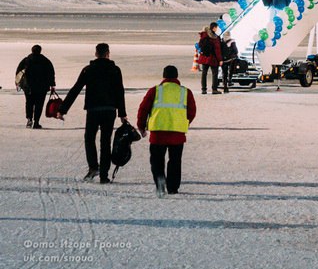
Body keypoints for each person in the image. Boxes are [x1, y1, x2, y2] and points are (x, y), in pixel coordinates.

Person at [60, 43, 128, 183]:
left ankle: (93, 167)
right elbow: (119, 91)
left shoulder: (88, 69)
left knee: (89, 139)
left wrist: (62, 110)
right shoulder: (115, 70)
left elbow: (75, 89)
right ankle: (104, 176)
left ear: (96, 53)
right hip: (109, 110)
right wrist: (122, 113)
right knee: (105, 142)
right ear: (108, 53)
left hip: (93, 110)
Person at [137, 65, 197, 197]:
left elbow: (143, 109)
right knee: (175, 161)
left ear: (163, 76)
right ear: (177, 76)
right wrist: (183, 122)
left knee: (157, 160)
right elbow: (192, 111)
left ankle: (160, 181)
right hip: (177, 133)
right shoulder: (185, 92)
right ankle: (173, 187)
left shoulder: (155, 90)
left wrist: (141, 126)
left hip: (158, 132)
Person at [16, 45, 56, 129]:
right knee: (39, 105)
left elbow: (18, 72)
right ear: (40, 51)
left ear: (32, 50)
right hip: (42, 87)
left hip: (28, 87)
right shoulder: (45, 61)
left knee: (29, 103)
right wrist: (52, 85)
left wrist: (17, 83)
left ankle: (29, 119)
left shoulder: (26, 60)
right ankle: (36, 122)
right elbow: (51, 74)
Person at [197, 22, 223, 94]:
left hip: (204, 57)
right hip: (213, 58)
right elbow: (217, 49)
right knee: (215, 73)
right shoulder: (215, 37)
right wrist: (220, 59)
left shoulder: (204, 36)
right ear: (214, 28)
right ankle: (214, 89)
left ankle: (204, 89)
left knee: (204, 73)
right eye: (216, 28)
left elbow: (199, 45)